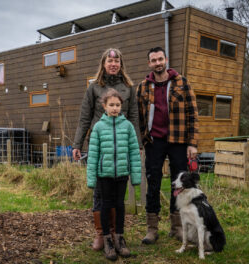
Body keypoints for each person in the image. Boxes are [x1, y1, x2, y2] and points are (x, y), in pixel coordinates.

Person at [72, 48, 140, 251]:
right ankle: (101, 234)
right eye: (109, 61)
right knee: (100, 195)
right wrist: (77, 144)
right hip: (100, 145)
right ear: (103, 64)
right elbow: (85, 117)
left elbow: (134, 116)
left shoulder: (128, 87)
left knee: (118, 196)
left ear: (121, 64)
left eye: (116, 60)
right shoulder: (94, 88)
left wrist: (136, 144)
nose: (113, 64)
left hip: (121, 145)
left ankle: (115, 233)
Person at [137, 46, 199, 244]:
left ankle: (177, 227)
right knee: (153, 184)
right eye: (153, 60)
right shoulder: (143, 87)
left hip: (178, 141)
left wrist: (192, 143)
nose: (157, 63)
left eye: (160, 59)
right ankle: (152, 229)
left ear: (166, 60)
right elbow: (138, 115)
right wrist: (143, 138)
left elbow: (193, 114)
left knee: (179, 185)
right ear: (149, 64)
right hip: (154, 142)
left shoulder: (182, 82)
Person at [86, 88, 141, 261]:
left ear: (121, 106)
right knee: (105, 205)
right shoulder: (99, 127)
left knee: (120, 205)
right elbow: (93, 154)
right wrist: (91, 178)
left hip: (122, 174)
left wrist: (136, 175)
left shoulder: (128, 126)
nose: (115, 108)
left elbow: (134, 151)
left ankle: (119, 238)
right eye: (111, 105)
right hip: (104, 175)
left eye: (118, 105)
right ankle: (108, 241)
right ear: (104, 106)